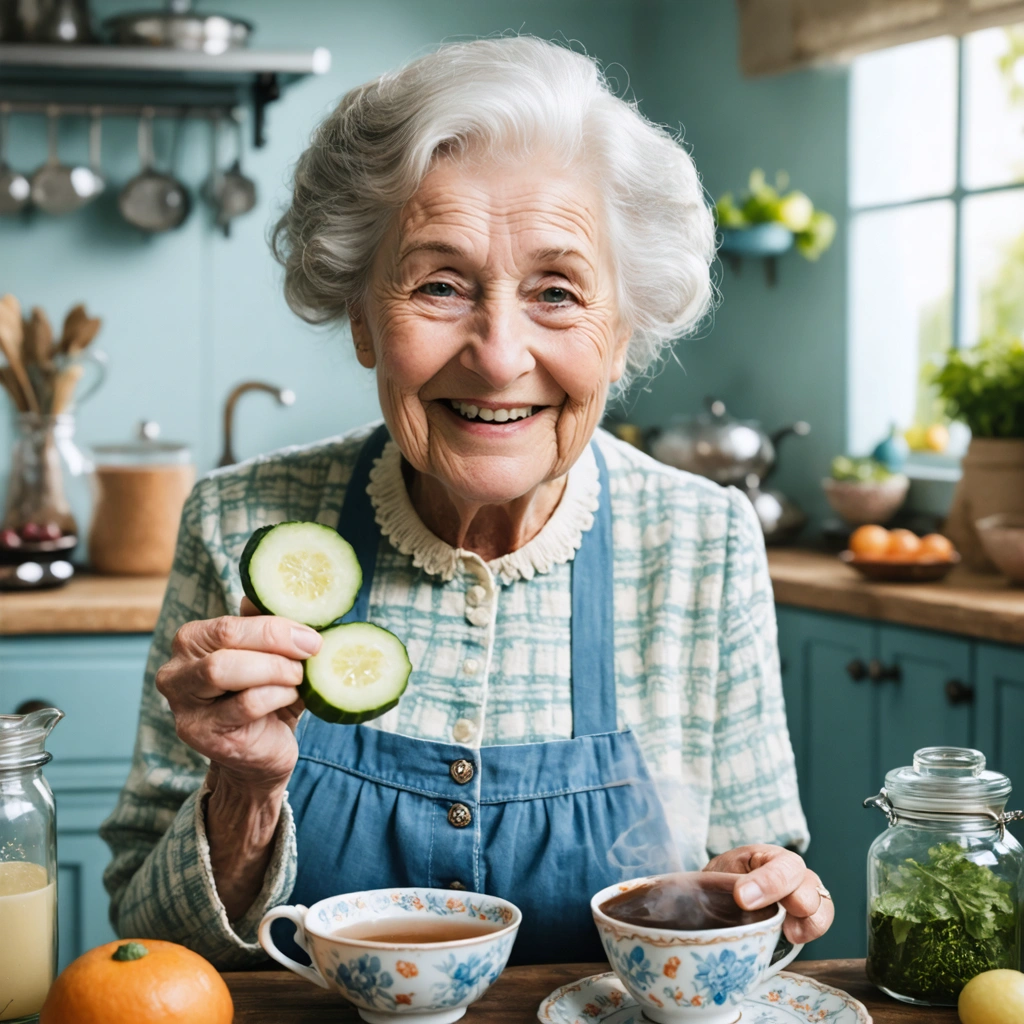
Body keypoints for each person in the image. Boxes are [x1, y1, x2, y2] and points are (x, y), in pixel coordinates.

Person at [101, 36, 833, 969]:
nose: (497, 354)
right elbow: (147, 949)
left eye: (558, 292)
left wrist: (754, 897)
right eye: (438, 285)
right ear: (362, 316)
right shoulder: (241, 524)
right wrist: (242, 796)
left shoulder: (706, 541)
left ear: (624, 329)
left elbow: (758, 889)